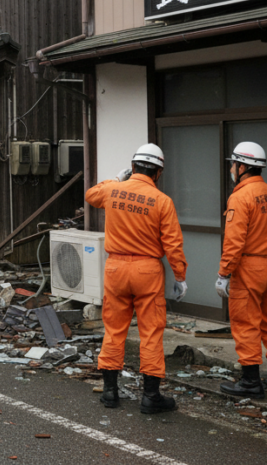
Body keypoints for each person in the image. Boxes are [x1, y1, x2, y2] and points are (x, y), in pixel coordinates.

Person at [85, 143, 188, 414]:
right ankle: (151, 397)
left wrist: (117, 179)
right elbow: (173, 244)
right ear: (158, 173)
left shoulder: (113, 191)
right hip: (147, 271)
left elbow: (90, 194)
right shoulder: (162, 201)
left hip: (116, 268)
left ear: (133, 167)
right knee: (151, 333)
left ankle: (109, 392)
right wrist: (180, 275)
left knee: (114, 329)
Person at [216, 141, 267, 398]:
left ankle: (250, 382)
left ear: (242, 167)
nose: (232, 169)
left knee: (246, 323)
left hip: (248, 267)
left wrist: (224, 273)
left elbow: (234, 241)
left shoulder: (240, 197)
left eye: (233, 165)